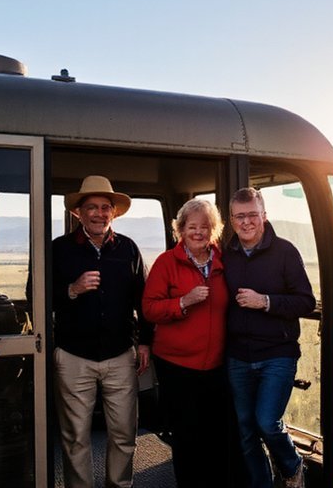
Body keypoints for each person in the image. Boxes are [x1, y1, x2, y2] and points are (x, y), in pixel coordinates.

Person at [52, 175, 152, 488]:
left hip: (121, 355)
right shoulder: (58, 249)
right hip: (72, 356)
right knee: (75, 437)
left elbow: (144, 300)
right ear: (77, 213)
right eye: (91, 207)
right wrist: (72, 289)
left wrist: (146, 343)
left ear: (114, 213)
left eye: (105, 207)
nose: (99, 213)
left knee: (124, 434)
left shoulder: (128, 249)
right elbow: (35, 295)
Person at [224, 187, 316, 488]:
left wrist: (265, 301)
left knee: (267, 422)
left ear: (264, 215)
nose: (246, 222)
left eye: (252, 214)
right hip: (238, 355)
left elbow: (305, 301)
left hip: (278, 353)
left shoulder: (286, 252)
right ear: (231, 219)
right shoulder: (227, 254)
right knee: (246, 430)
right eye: (240, 216)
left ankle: (292, 466)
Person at [142, 198, 233, 487]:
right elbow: (149, 308)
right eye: (192, 226)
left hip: (217, 366)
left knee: (216, 436)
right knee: (187, 436)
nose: (198, 232)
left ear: (214, 230)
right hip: (176, 366)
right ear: (180, 229)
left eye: (205, 226)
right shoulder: (166, 263)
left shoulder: (224, 262)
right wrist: (183, 302)